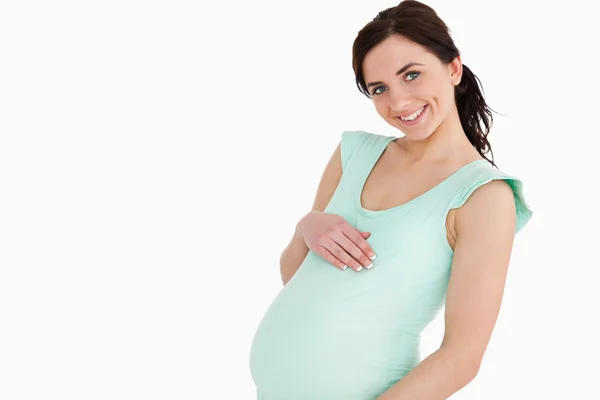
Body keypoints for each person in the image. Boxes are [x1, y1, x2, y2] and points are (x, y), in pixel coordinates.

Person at [249, 1, 533, 399]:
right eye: (379, 89)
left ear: (454, 68)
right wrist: (307, 226)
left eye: (412, 75)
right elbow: (298, 277)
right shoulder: (353, 153)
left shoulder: (484, 196)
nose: (398, 102)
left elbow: (462, 356)